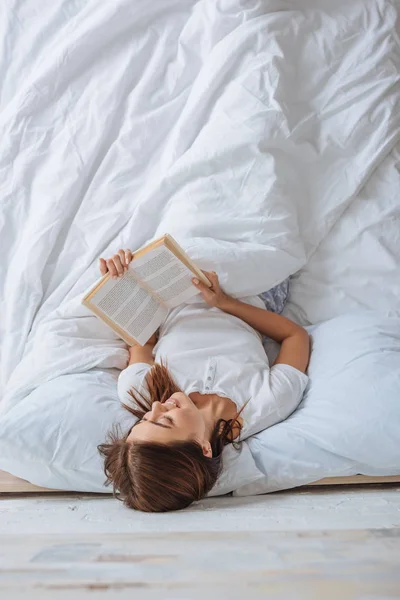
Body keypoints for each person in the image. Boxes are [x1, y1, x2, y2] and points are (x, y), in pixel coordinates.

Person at [97, 248, 311, 512]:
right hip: (252, 294)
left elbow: (145, 338)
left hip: (172, 286)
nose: (155, 407)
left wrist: (122, 285)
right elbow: (295, 337)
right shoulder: (267, 403)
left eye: (143, 420)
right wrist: (225, 302)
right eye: (165, 421)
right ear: (203, 448)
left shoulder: (136, 390)